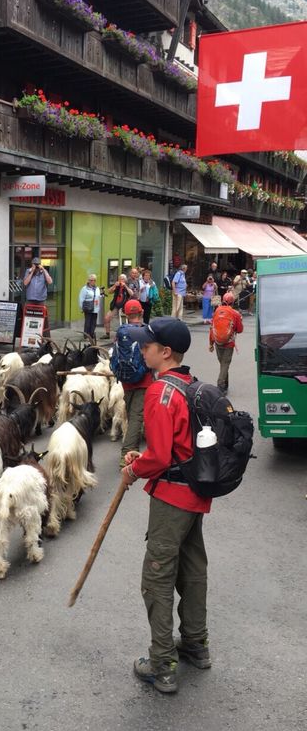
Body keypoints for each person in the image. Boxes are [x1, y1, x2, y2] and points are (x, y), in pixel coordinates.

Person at [121, 317, 212, 694]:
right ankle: (196, 644)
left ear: (166, 352)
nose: (142, 350)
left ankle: (162, 665)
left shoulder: (161, 394)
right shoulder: (191, 386)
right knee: (192, 568)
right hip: (196, 496)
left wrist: (133, 468)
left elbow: (158, 457)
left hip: (171, 498)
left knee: (156, 578)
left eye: (147, 346)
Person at [118, 300, 154, 467]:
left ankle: (136, 445)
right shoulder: (147, 331)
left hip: (125, 379)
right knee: (136, 417)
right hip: (143, 380)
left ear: (126, 315)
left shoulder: (121, 332)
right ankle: (126, 456)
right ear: (141, 313)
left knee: (132, 412)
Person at [209, 292, 243, 394]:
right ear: (233, 302)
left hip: (217, 341)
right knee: (225, 364)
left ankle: (225, 385)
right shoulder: (235, 313)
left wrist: (210, 343)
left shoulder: (217, 311)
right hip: (229, 343)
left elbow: (212, 328)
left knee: (223, 364)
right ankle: (220, 385)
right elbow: (240, 329)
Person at [24, 256, 53, 337]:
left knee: (43, 319)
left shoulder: (43, 272)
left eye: (37, 264)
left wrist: (43, 270)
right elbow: (25, 283)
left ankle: (45, 338)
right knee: (30, 318)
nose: (36, 266)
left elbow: (50, 281)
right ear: (32, 265)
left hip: (41, 299)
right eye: (35, 264)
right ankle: (29, 337)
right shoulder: (28, 271)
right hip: (30, 299)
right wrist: (31, 272)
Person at [102, 274, 130, 339]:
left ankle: (126, 334)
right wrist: (114, 285)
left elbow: (131, 293)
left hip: (124, 306)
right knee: (106, 318)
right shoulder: (117, 286)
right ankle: (107, 333)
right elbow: (109, 292)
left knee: (125, 321)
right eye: (120, 279)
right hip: (115, 305)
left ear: (125, 280)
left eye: (122, 279)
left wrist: (125, 286)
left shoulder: (127, 286)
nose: (121, 280)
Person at [78, 273, 101, 342]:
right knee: (88, 322)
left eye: (94, 280)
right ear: (88, 280)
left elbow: (98, 297)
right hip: (88, 307)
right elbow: (81, 299)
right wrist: (81, 308)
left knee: (93, 322)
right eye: (91, 280)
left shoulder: (97, 288)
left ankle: (91, 334)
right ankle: (86, 336)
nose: (93, 281)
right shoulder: (84, 289)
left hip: (95, 307)